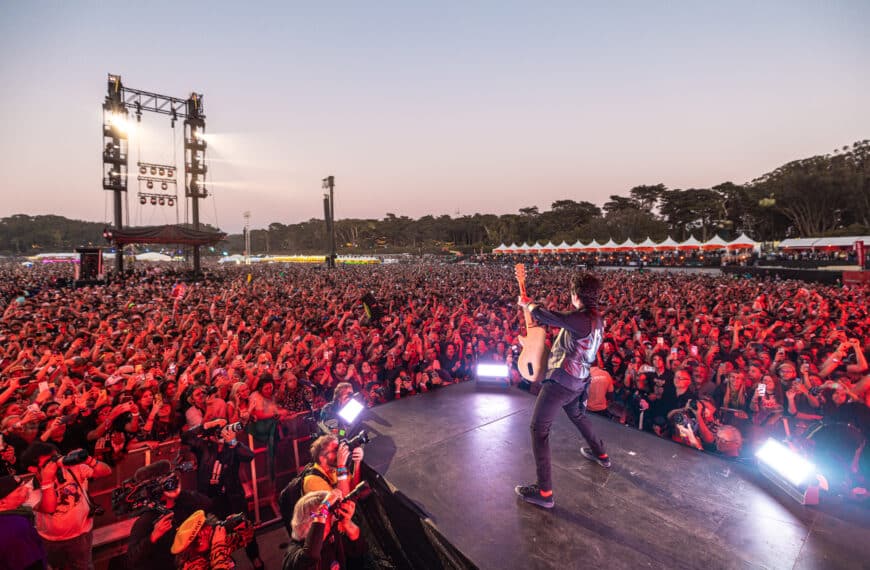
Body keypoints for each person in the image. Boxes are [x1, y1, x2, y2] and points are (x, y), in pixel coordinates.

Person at [515, 272, 609, 510]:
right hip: (578, 380)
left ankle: (544, 491)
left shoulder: (582, 318)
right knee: (577, 416)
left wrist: (528, 304)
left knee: (539, 429)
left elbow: (548, 316)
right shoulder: (598, 318)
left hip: (562, 381)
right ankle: (601, 454)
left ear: (575, 295)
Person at [181, 420, 263, 569]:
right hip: (210, 500)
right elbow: (185, 436)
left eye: (222, 430)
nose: (220, 434)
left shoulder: (232, 447)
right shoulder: (203, 447)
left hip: (232, 497)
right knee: (213, 534)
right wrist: (206, 425)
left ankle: (255, 558)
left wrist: (233, 441)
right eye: (217, 432)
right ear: (211, 436)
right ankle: (223, 562)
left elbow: (249, 455)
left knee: (244, 530)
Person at [20, 441, 112, 570]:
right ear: (33, 468)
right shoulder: (29, 490)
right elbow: (49, 508)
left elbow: (106, 471)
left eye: (56, 458)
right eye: (48, 462)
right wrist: (47, 481)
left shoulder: (73, 469)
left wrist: (88, 459)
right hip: (50, 540)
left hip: (81, 534)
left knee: (83, 567)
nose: (55, 464)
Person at [126, 460, 212, 570]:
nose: (173, 485)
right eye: (168, 483)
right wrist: (153, 537)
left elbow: (208, 504)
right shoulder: (147, 520)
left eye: (174, 480)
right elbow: (132, 559)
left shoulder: (186, 501)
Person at [283, 489, 367, 570]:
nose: (333, 517)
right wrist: (324, 507)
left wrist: (347, 522)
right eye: (326, 514)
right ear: (310, 521)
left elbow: (359, 550)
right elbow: (310, 557)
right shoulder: (293, 555)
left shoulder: (331, 537)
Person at [0, 474, 48, 570]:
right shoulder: (16, 527)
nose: (27, 490)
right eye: (19, 490)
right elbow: (30, 563)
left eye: (23, 486)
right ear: (2, 502)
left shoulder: (15, 516)